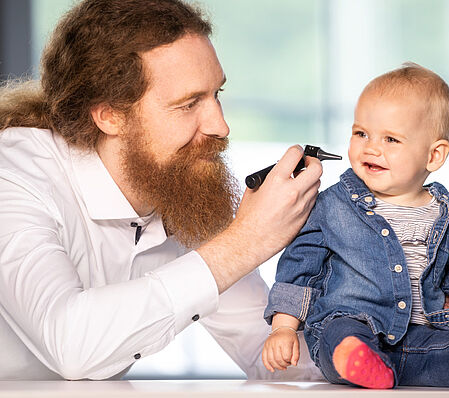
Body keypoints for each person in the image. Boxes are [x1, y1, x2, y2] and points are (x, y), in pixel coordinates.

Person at [0, 0, 324, 381]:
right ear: (109, 116)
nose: (221, 126)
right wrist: (247, 241)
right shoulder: (13, 174)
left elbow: (268, 350)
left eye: (216, 94)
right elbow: (71, 343)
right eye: (188, 104)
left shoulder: (175, 185)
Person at [262, 63, 449, 396]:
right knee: (340, 333)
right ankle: (360, 363)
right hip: (355, 327)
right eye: (361, 133)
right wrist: (283, 329)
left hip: (424, 341)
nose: (371, 147)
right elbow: (299, 270)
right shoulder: (333, 206)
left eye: (391, 139)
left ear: (434, 155)